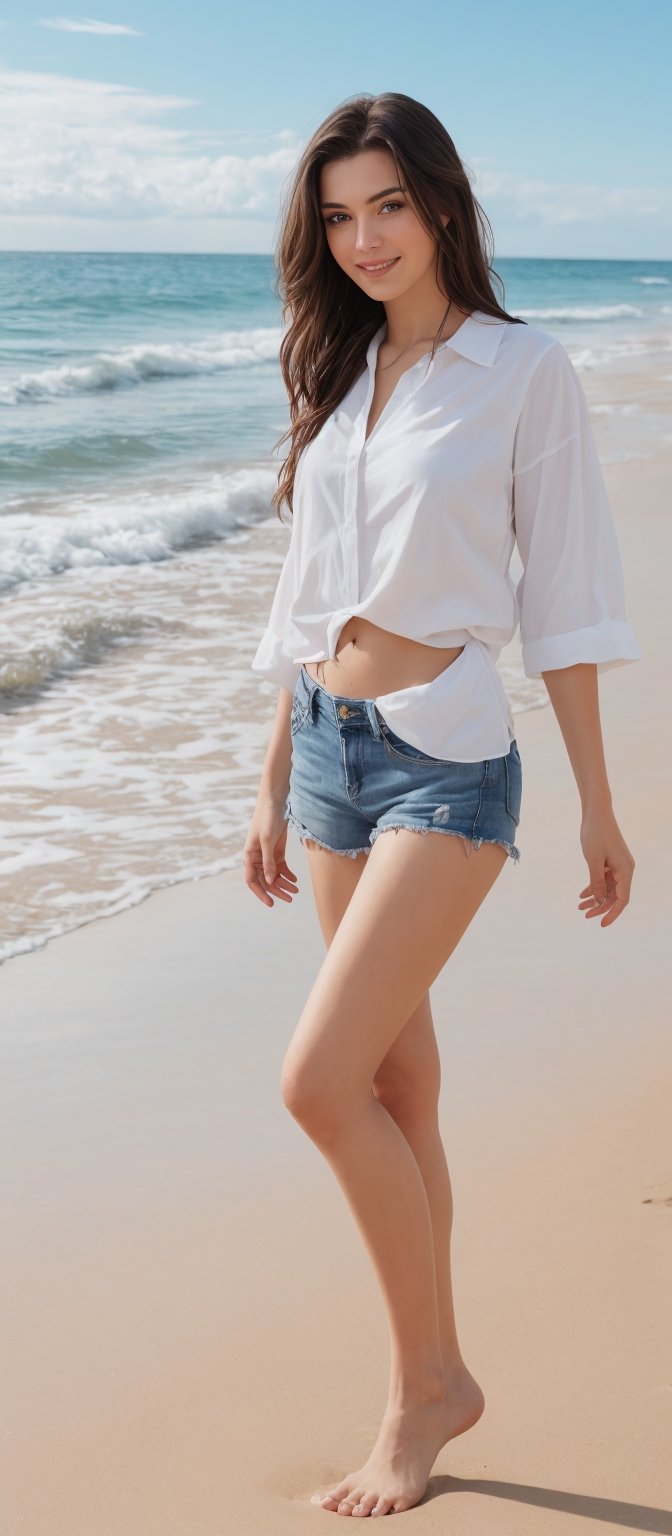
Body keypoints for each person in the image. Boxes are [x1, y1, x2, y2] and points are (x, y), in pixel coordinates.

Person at [242, 92, 641, 1518]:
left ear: (444, 207)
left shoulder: (521, 370)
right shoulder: (339, 377)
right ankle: (428, 1373)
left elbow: (570, 594)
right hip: (332, 750)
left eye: (387, 207)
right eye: (339, 216)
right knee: (398, 1084)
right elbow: (306, 602)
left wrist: (600, 802)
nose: (363, 239)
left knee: (317, 1083)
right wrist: (276, 775)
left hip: (448, 763)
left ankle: (425, 1390)